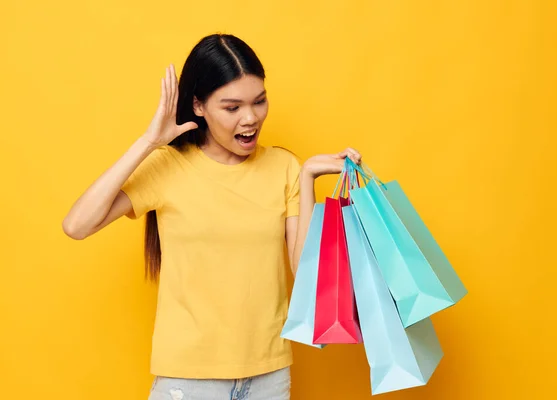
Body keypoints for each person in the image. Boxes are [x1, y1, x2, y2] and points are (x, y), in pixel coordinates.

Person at [62, 33, 361, 399]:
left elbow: (306, 275)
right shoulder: (169, 166)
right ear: (199, 107)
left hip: (269, 376)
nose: (250, 118)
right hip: (189, 379)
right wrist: (149, 143)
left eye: (259, 101)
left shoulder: (284, 168)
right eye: (232, 108)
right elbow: (77, 225)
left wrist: (308, 176)